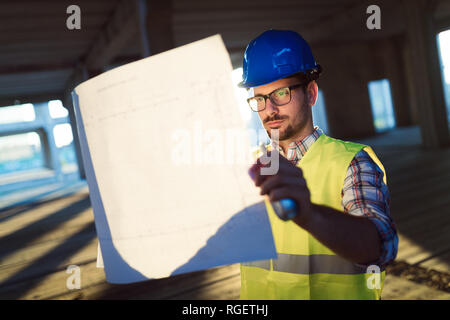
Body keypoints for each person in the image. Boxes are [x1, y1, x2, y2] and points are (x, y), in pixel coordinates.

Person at [239, 29, 398, 300]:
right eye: (260, 99)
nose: (270, 109)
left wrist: (309, 214)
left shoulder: (352, 162)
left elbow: (381, 244)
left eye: (281, 93)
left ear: (311, 93)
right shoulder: (250, 168)